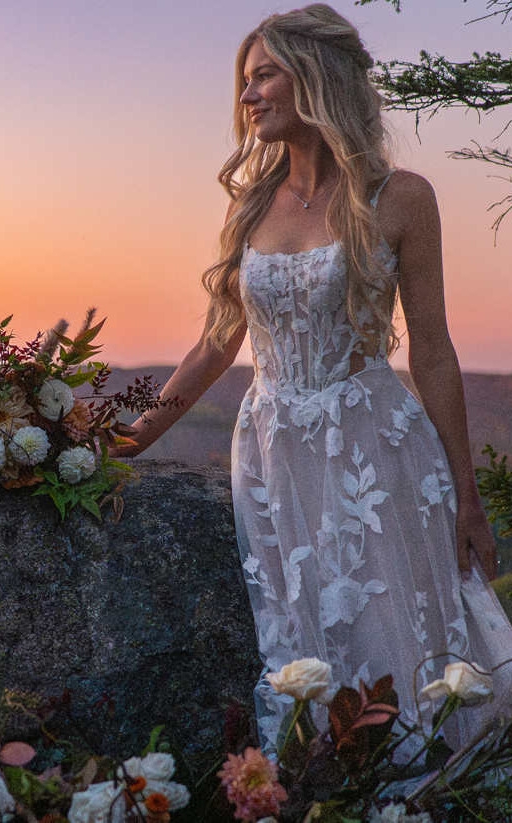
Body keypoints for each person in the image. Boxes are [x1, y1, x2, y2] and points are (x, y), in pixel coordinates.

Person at [116, 4, 512, 750]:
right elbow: (214, 343)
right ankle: (325, 780)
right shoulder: (250, 204)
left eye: (264, 75)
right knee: (296, 635)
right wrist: (134, 435)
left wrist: (467, 495)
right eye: (244, 80)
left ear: (316, 78)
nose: (247, 95)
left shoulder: (400, 198)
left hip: (377, 450)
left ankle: (418, 781)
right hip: (271, 456)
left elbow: (431, 350)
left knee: (400, 626)